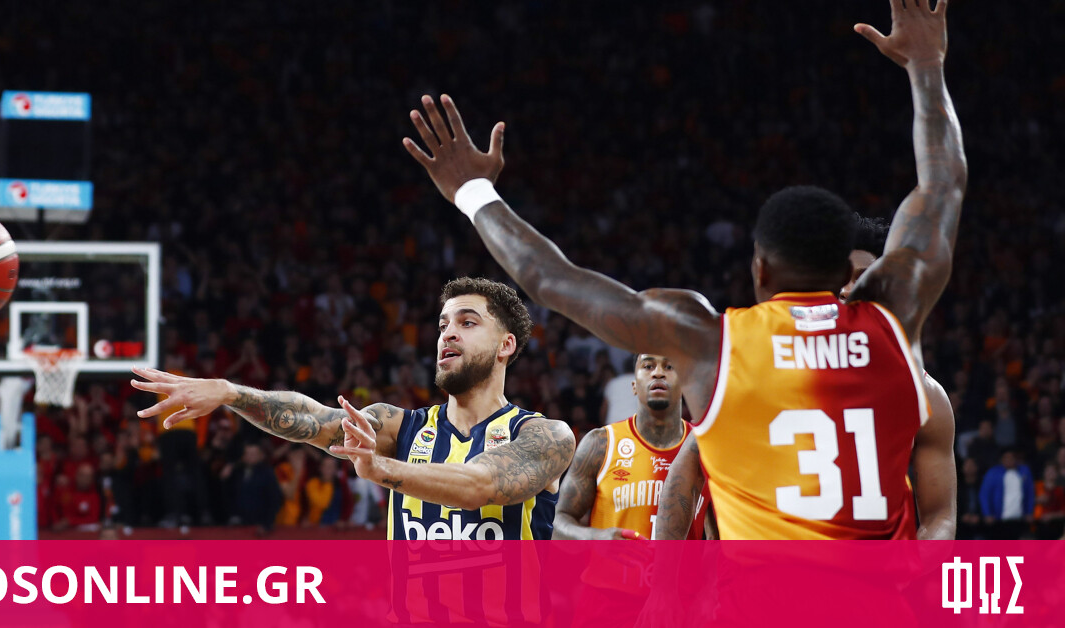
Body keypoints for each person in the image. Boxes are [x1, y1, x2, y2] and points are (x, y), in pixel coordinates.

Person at [403, 0, 963, 540]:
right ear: (846, 270)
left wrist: (472, 191)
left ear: (760, 270)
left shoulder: (710, 343)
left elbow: (550, 277)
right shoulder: (893, 318)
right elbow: (942, 186)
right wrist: (927, 65)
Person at [132, 277, 575, 540]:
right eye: (443, 325)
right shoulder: (401, 427)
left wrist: (379, 469)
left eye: (467, 322)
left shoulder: (545, 436)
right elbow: (311, 419)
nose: (448, 334)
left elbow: (481, 485)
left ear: (505, 345)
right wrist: (230, 392)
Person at [655, 212, 959, 539]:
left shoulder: (923, 393)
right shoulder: (759, 372)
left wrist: (915, 567)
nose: (847, 290)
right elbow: (687, 472)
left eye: (863, 279)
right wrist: (666, 572)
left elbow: (940, 516)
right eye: (838, 279)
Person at [555, 353, 711, 540]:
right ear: (634, 385)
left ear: (684, 384)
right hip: (612, 561)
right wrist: (595, 538)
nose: (658, 373)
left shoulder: (705, 446)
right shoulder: (601, 443)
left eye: (669, 366)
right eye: (648, 366)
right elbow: (558, 521)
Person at [980, 449, 1034, 539]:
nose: (1009, 460)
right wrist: (987, 513)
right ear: (1001, 459)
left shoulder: (1024, 471)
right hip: (998, 519)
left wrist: (1029, 511)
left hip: (1019, 518)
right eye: (1006, 458)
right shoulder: (993, 473)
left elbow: (1030, 493)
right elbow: (985, 495)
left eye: (1011, 457)